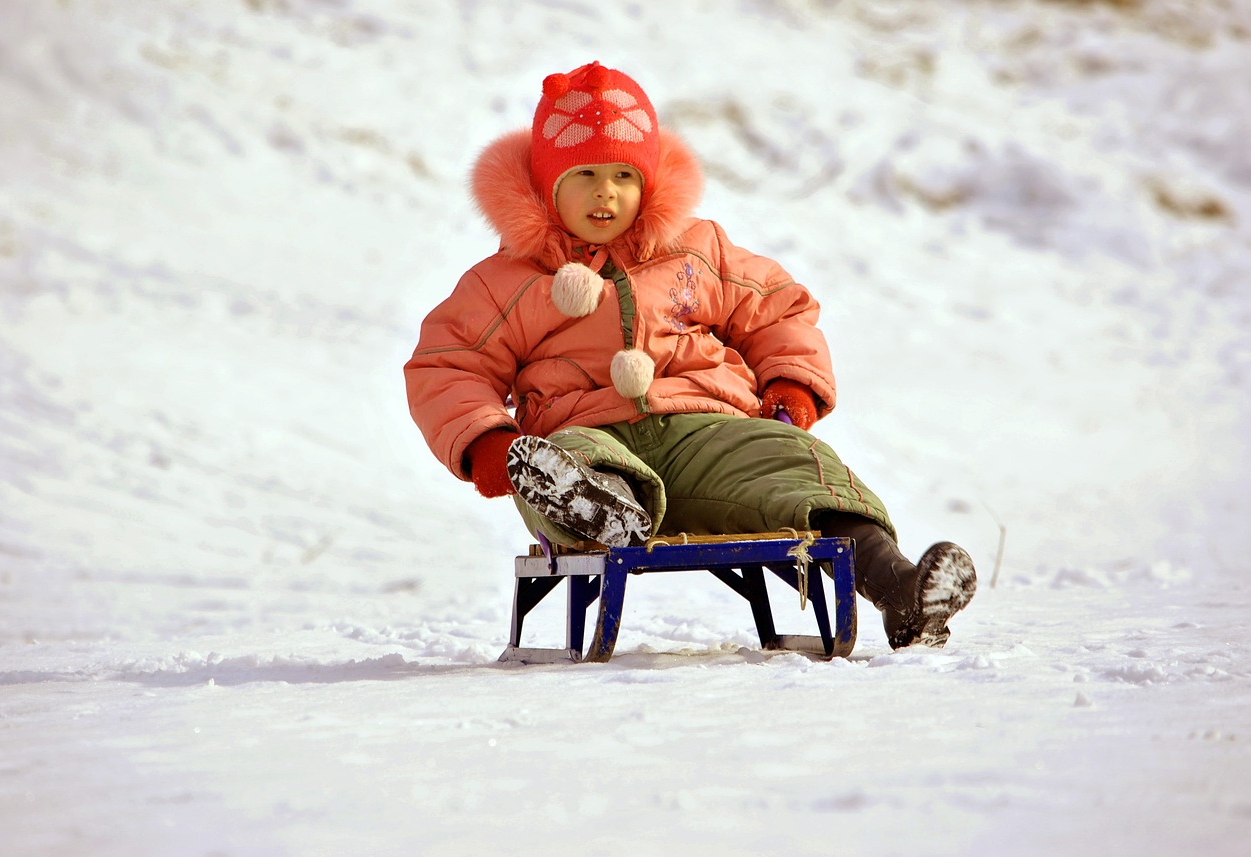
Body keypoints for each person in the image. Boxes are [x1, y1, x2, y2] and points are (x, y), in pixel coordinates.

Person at [405, 62, 976, 649]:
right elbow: (449, 363)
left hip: (702, 431)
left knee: (793, 460)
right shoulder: (507, 281)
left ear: (647, 181)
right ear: (547, 184)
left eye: (625, 174)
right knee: (562, 461)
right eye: (585, 174)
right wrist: (487, 442)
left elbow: (776, 309)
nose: (607, 192)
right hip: (583, 431)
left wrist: (791, 385)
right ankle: (598, 508)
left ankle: (898, 589)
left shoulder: (696, 249)